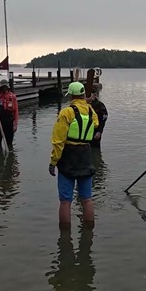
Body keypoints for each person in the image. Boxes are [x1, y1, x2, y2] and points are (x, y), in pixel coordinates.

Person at [49, 81, 99, 229]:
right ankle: (89, 232)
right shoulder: (91, 112)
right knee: (87, 199)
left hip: (68, 157)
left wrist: (53, 162)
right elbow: (95, 124)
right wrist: (86, 104)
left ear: (71, 95)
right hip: (85, 156)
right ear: (84, 95)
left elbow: (58, 141)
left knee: (65, 201)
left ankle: (64, 236)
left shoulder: (66, 113)